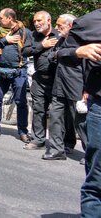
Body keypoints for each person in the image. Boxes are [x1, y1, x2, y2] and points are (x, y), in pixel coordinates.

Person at [51, 9, 101, 215]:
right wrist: (78, 52)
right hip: (100, 105)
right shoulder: (90, 21)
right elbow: (61, 53)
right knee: (98, 176)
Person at [0, 8, 33, 142]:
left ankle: (23, 131)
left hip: (19, 71)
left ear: (9, 18)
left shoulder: (25, 32)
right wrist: (5, 40)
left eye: (0, 18)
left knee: (21, 102)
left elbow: (30, 49)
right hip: (1, 71)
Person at [44, 14, 86, 161]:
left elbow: (86, 62)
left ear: (70, 25)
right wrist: (58, 54)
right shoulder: (61, 39)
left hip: (76, 85)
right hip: (59, 84)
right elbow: (51, 56)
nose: (56, 28)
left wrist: (86, 90)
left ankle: (91, 153)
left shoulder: (82, 39)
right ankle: (57, 150)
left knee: (79, 120)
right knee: (55, 117)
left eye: (59, 25)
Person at [25, 11, 59, 150]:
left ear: (49, 21)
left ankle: (61, 143)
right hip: (39, 79)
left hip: (57, 80)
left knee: (57, 113)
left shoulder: (59, 35)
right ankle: (38, 140)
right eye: (34, 21)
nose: (37, 24)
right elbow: (24, 51)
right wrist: (41, 46)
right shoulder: (33, 35)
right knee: (38, 110)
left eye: (39, 20)